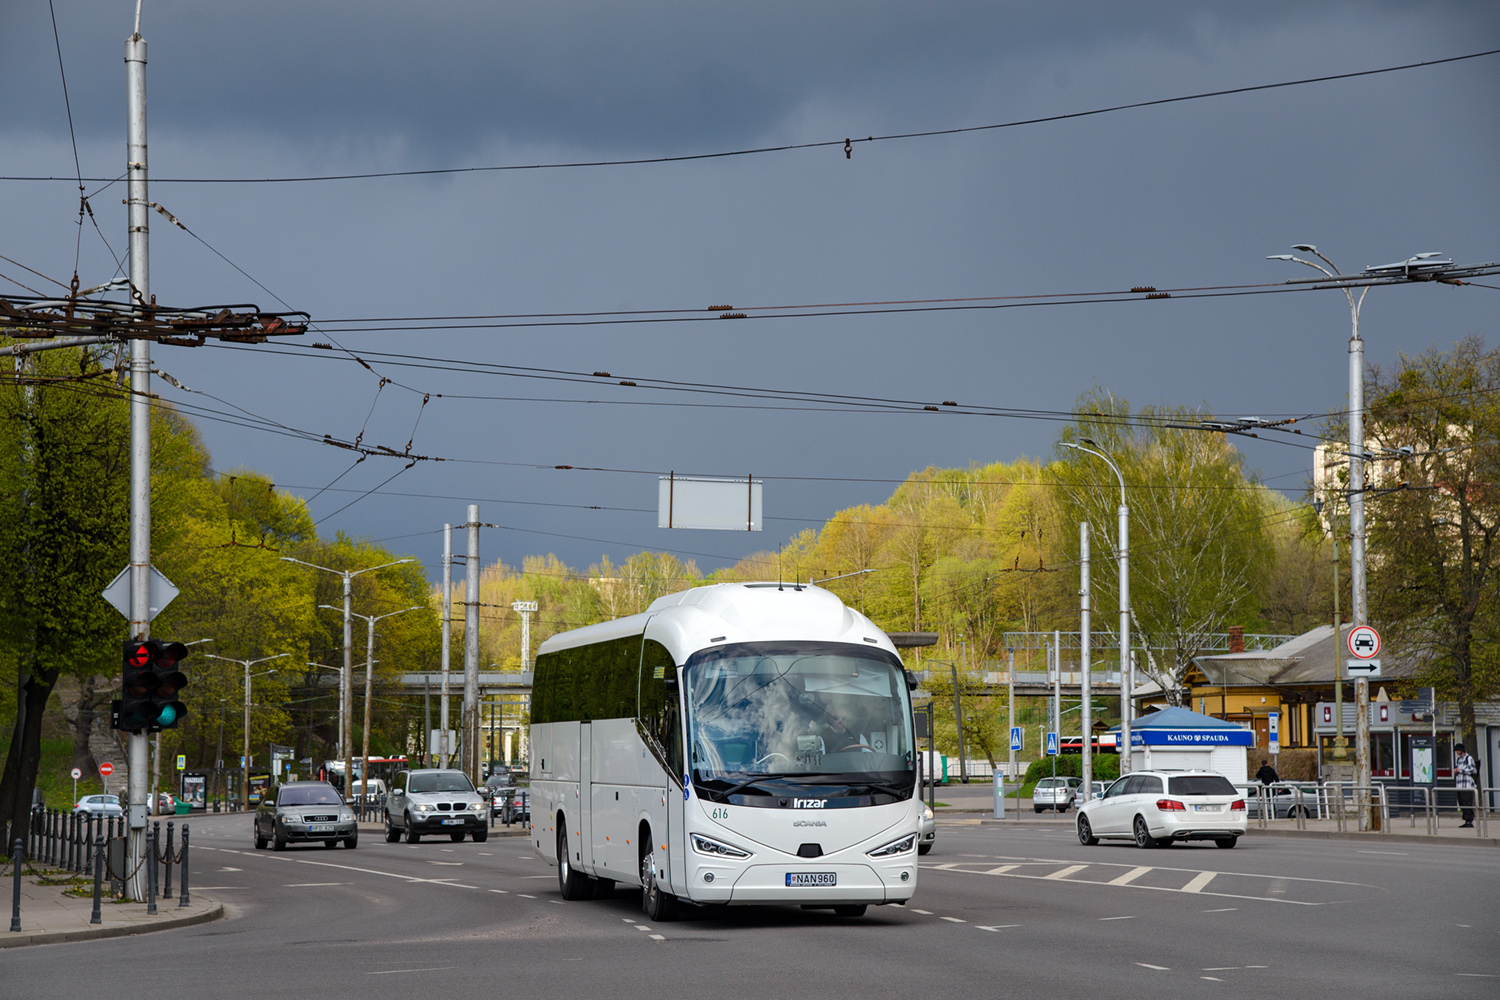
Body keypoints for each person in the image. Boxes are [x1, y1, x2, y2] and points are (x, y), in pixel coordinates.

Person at [1454, 742, 1479, 827]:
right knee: (1462, 802)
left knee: (1467, 802)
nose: (1456, 752)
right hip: (1460, 785)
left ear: (1462, 750)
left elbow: (1473, 770)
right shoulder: (1459, 760)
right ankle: (1466, 819)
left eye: (1458, 750)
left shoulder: (1468, 758)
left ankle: (1469, 820)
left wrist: (1460, 770)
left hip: (1467, 785)